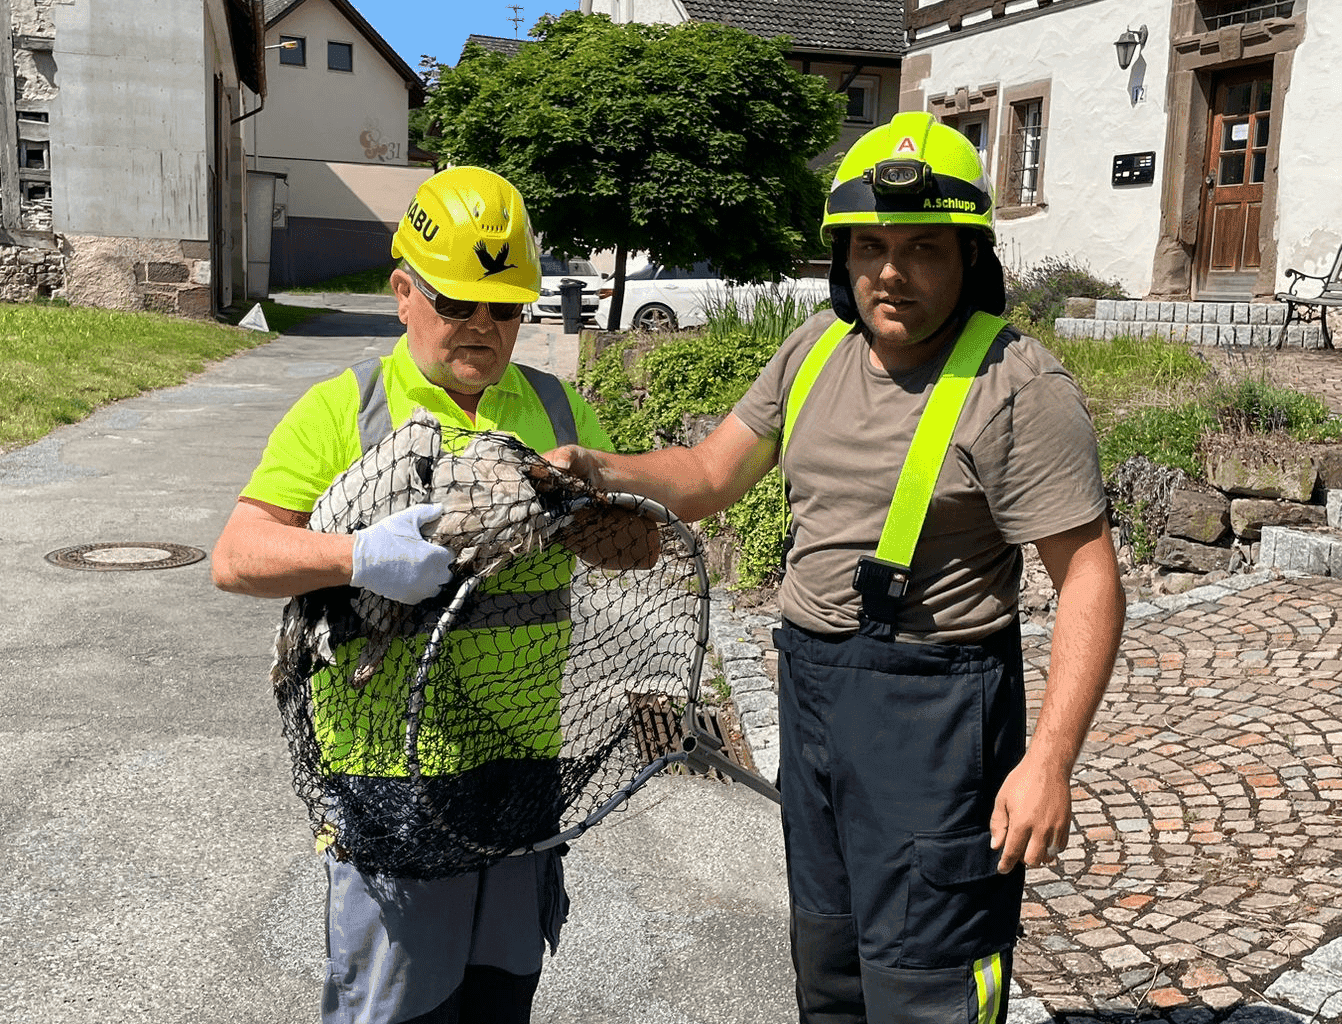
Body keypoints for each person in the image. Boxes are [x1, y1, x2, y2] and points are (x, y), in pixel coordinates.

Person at [548, 111, 1126, 1024]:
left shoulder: (1020, 386)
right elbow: (705, 475)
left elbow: (1089, 575)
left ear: (970, 258)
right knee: (829, 963)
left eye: (922, 248)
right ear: (841, 256)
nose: (889, 271)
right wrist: (598, 470)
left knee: (926, 985)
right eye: (868, 246)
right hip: (813, 696)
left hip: (938, 718)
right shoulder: (815, 344)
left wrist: (1048, 760)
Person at [210, 166, 619, 1024]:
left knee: (499, 998)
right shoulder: (345, 410)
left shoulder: (558, 409)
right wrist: (355, 555)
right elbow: (238, 556)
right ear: (403, 292)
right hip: (385, 773)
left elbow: (634, 546)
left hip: (516, 768)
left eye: (503, 308)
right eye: (455, 302)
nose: (481, 328)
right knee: (396, 1009)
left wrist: (587, 512)